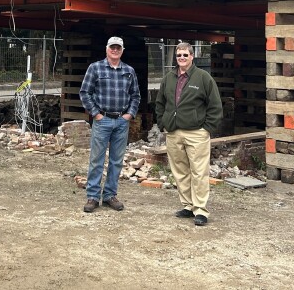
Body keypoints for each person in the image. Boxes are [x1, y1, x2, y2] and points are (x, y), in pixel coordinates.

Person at [154, 42, 222, 226]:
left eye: (185, 55)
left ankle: (200, 210)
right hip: (174, 132)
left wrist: (207, 128)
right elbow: (160, 103)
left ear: (192, 56)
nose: (182, 58)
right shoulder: (169, 78)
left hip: (196, 133)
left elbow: (215, 106)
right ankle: (187, 205)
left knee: (199, 171)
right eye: (179, 55)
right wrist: (163, 123)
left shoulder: (203, 78)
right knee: (180, 171)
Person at [79, 36, 141, 213]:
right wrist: (96, 114)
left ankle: (110, 195)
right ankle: (92, 196)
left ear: (122, 50)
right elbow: (85, 93)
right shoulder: (95, 68)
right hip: (103, 119)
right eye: (112, 47)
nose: (115, 50)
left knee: (116, 160)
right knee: (97, 159)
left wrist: (129, 115)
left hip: (121, 121)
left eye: (118, 48)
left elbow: (136, 95)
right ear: (107, 49)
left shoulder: (129, 71)